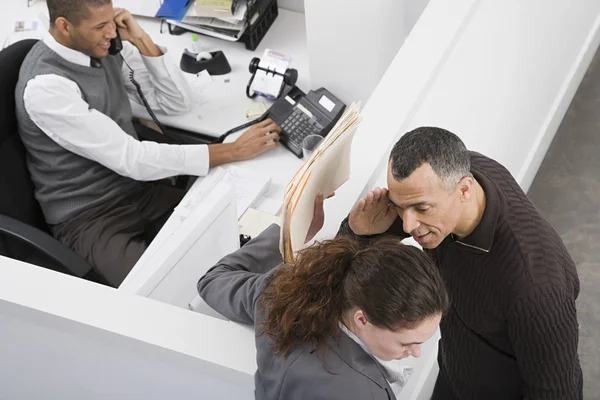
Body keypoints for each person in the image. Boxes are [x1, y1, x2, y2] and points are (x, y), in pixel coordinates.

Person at [14, 0, 281, 287]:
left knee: (247, 235)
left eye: (112, 22)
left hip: (136, 191)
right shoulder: (46, 87)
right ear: (64, 26)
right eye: (100, 26)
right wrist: (232, 150)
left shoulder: (103, 47)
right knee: (163, 290)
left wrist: (141, 39)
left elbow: (176, 103)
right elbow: (132, 158)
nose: (110, 33)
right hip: (89, 217)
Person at [338, 127, 582, 399]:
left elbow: (556, 393)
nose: (407, 225)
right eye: (398, 207)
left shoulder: (537, 289)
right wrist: (358, 232)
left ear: (464, 190)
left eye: (420, 208)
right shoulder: (441, 190)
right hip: (456, 373)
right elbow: (353, 269)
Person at [197, 195, 449, 400]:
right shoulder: (358, 392)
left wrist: (289, 230)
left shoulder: (279, 293)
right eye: (407, 344)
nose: (416, 353)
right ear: (362, 319)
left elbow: (213, 281)